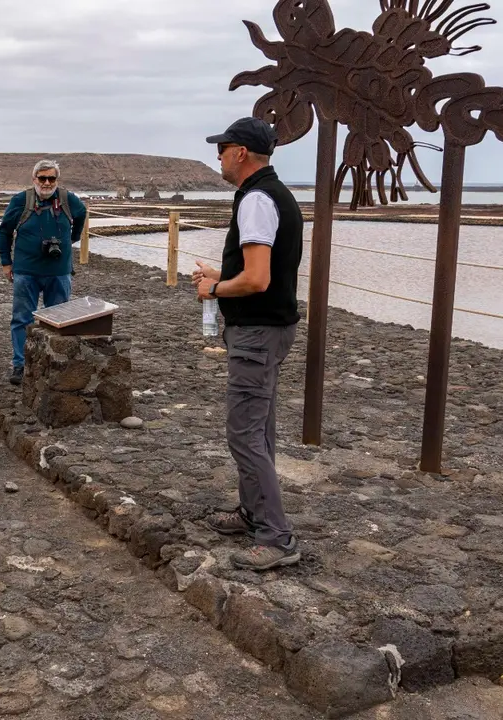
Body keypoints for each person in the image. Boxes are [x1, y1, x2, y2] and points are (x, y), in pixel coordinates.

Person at [193, 117, 305, 571]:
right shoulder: (273, 194)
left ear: (240, 153)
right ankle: (254, 512)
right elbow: (267, 272)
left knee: (244, 432)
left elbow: (257, 280)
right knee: (259, 429)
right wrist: (223, 275)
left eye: (222, 148)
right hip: (270, 329)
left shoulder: (256, 200)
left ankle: (277, 536)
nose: (218, 155)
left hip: (256, 333)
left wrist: (214, 291)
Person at [0, 160, 86, 386]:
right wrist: (6, 263)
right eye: (42, 178)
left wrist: (70, 240)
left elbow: (81, 217)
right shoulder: (21, 200)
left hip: (59, 272)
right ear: (34, 179)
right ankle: (20, 363)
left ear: (57, 180)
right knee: (22, 319)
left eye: (52, 178)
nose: (47, 183)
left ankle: (54, 360)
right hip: (26, 271)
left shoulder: (68, 200)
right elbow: (4, 231)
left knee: (58, 321)